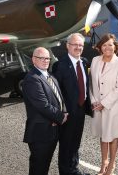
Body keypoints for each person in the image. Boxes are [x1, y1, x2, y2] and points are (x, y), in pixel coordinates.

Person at [22, 47, 68, 175]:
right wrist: (60, 117)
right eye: (41, 58)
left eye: (47, 58)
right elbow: (42, 105)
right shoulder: (32, 78)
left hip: (52, 130)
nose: (45, 60)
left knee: (45, 164)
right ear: (33, 60)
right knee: (39, 168)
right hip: (40, 133)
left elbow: (60, 98)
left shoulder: (50, 76)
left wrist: (64, 111)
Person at [53, 33, 92, 175]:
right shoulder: (60, 65)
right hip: (67, 113)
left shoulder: (84, 62)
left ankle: (73, 169)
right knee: (66, 143)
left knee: (75, 142)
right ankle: (65, 171)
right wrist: (60, 112)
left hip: (81, 110)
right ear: (67, 46)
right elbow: (56, 92)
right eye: (75, 44)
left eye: (81, 45)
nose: (78, 47)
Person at [89, 33, 118, 175]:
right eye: (104, 45)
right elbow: (91, 84)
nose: (107, 47)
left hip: (113, 106)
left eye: (110, 44)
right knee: (102, 135)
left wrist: (104, 103)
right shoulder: (95, 60)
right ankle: (103, 162)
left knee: (112, 135)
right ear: (100, 47)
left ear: (115, 46)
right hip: (97, 105)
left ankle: (111, 164)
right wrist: (94, 101)